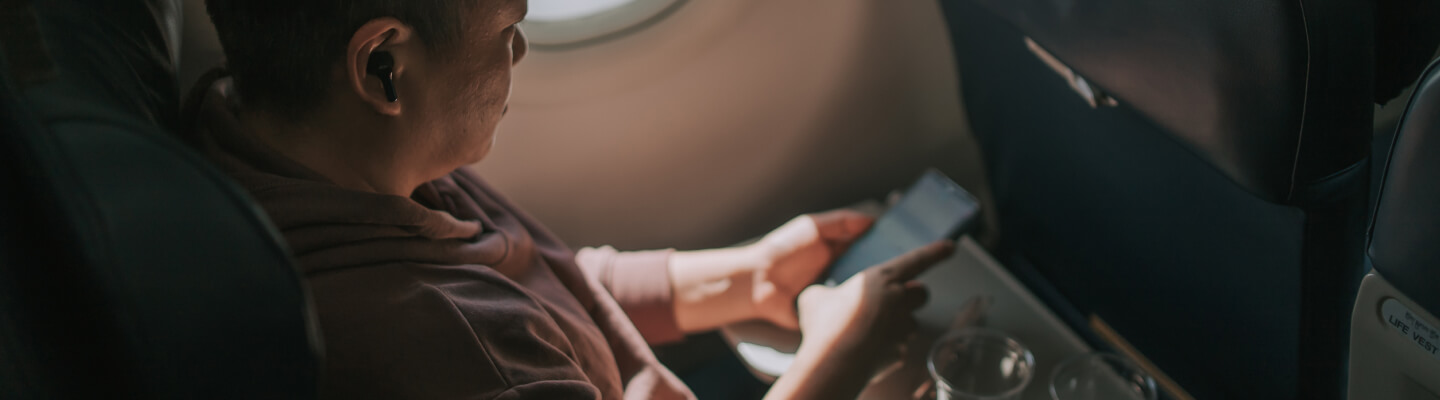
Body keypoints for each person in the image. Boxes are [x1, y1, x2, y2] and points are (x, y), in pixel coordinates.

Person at [188, 0, 954, 398]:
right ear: (382, 64)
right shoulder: (446, 357)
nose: (518, 50)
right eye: (507, 27)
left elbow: (534, 281)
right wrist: (841, 360)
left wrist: (742, 276)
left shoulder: (298, 146)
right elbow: (504, 332)